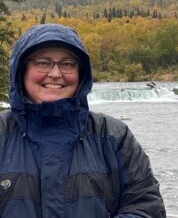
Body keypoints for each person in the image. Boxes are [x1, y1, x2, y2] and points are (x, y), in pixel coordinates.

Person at [0, 23, 166, 218]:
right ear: (22, 71)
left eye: (67, 64)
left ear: (81, 74)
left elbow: (146, 207)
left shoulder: (114, 137)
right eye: (42, 62)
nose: (55, 73)